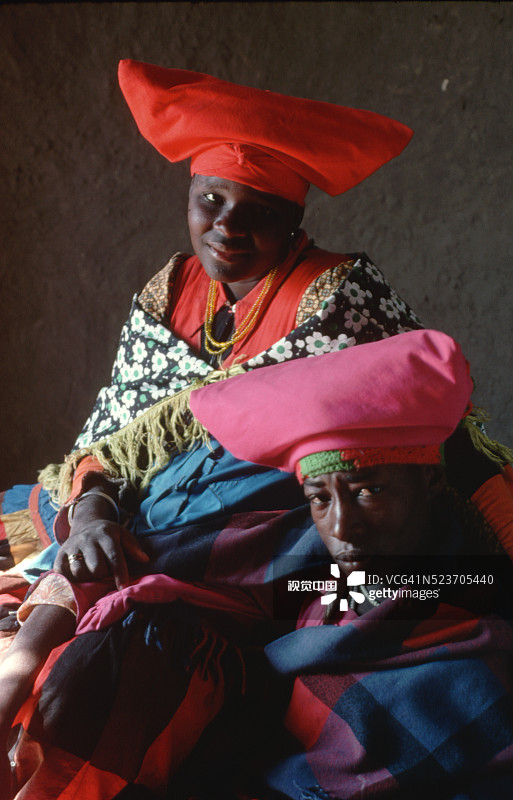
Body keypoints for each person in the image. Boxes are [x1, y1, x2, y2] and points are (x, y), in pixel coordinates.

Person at [0, 61, 512, 798]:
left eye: (259, 213)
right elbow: (107, 443)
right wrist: (89, 511)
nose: (227, 227)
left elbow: (443, 433)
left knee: (309, 573)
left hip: (270, 514)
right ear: (188, 200)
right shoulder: (170, 291)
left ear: (294, 224)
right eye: (210, 200)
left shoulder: (340, 299)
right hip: (159, 510)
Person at [190, 328, 513, 799]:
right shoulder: (313, 589)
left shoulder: (476, 599)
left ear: (431, 482)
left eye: (369, 491)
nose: (343, 527)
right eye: (320, 499)